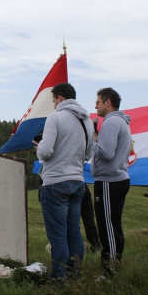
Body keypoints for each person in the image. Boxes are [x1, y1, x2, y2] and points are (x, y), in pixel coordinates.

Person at [34, 83, 94, 281]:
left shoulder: (55, 118)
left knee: (58, 235)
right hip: (78, 181)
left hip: (55, 182)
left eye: (53, 101)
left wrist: (39, 144)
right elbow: (88, 153)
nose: (53, 105)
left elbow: (45, 151)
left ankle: (58, 279)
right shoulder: (87, 120)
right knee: (74, 232)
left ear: (59, 98)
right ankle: (75, 275)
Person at [92, 87, 131, 278]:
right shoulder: (120, 121)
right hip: (118, 178)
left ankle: (109, 271)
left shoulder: (111, 122)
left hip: (109, 180)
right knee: (114, 223)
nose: (96, 106)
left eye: (98, 102)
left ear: (108, 102)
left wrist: (92, 143)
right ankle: (116, 265)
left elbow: (106, 153)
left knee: (106, 225)